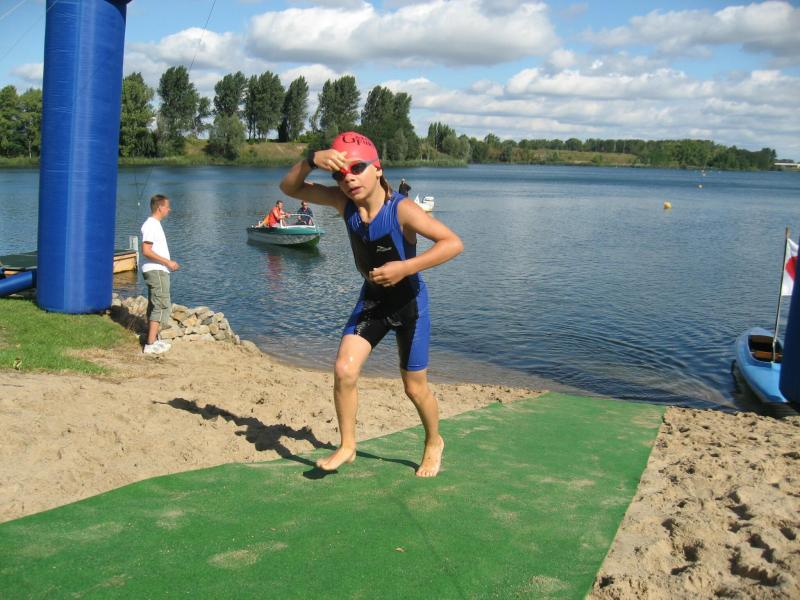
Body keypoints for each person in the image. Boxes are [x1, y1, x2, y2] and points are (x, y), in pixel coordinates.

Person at [280, 132, 463, 477]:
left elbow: (452, 243)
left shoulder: (402, 210)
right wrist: (311, 160)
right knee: (344, 370)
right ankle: (348, 446)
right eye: (340, 173)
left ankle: (433, 441)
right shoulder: (343, 203)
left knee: (414, 388)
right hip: (373, 300)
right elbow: (290, 188)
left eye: (357, 168)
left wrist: (406, 267)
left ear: (378, 169)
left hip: (409, 304)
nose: (348, 178)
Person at [140, 194, 180, 355]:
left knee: (154, 304)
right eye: (167, 207)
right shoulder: (151, 225)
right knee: (161, 304)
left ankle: (153, 339)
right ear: (160, 207)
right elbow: (146, 251)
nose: (169, 210)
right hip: (156, 270)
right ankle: (150, 344)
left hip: (157, 269)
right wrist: (167, 262)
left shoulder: (155, 224)